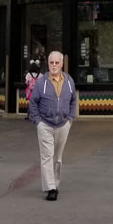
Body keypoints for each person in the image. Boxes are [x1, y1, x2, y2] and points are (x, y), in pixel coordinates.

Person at [27, 51, 77, 201]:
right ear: (48, 64)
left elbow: (74, 100)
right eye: (51, 63)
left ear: (62, 64)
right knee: (47, 156)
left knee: (58, 157)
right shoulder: (42, 82)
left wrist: (70, 119)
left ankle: (55, 183)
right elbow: (33, 102)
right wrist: (38, 121)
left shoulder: (69, 81)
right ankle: (51, 188)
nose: (54, 65)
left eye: (57, 63)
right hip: (45, 125)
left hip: (63, 124)